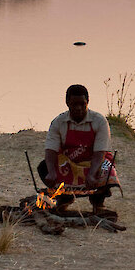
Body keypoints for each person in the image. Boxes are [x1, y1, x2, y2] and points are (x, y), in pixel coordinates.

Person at [41, 84, 117, 212]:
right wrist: (51, 172)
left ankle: (98, 201)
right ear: (67, 103)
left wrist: (92, 174)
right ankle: (64, 198)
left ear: (88, 102)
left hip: (92, 162)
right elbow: (51, 149)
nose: (79, 108)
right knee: (44, 167)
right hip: (69, 163)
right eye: (74, 104)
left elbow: (100, 151)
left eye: (82, 104)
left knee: (106, 168)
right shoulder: (58, 122)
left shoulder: (99, 121)